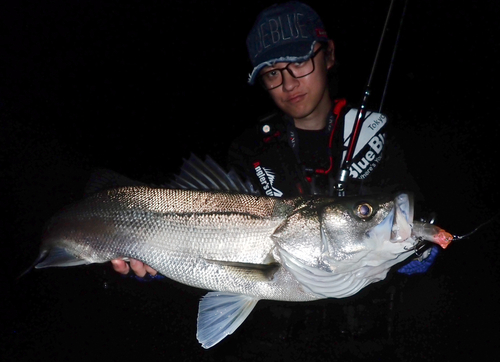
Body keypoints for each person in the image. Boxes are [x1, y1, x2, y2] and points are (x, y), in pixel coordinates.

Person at [111, 1, 433, 282]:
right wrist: (158, 262)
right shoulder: (250, 149)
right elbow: (210, 243)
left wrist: (417, 251)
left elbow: (417, 221)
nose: (289, 83)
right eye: (272, 73)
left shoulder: (376, 135)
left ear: (329, 55)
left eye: (300, 61)